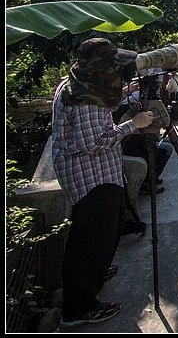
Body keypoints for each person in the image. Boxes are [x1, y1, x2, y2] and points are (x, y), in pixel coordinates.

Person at [50, 37, 155, 327]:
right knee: (90, 238)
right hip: (90, 174)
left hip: (97, 173)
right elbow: (92, 141)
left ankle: (96, 269)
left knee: (105, 230)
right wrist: (134, 125)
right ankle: (79, 307)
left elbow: (99, 117)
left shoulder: (79, 84)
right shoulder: (85, 99)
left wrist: (126, 95)